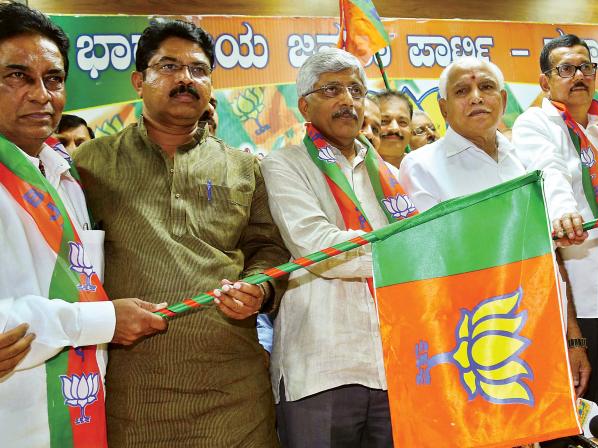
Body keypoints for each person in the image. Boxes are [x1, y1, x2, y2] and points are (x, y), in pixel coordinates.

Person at [73, 19, 289, 447]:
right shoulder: (90, 164)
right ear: (139, 81)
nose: (186, 79)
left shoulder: (244, 167)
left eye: (198, 69)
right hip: (132, 395)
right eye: (168, 67)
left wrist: (259, 289)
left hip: (235, 391)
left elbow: (267, 249)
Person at [0, 4, 165, 447]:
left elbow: (79, 283)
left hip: (77, 408)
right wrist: (105, 320)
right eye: (17, 76)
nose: (41, 95)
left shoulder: (65, 177)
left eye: (52, 79)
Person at [399, 56, 592, 398]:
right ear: (443, 109)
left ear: (502, 100)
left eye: (486, 87)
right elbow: (436, 261)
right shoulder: (419, 167)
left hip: (540, 329)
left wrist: (573, 337)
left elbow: (551, 261)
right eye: (462, 90)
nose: (476, 97)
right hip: (471, 345)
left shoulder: (525, 163)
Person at [262, 48, 416, 447]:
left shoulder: (390, 175)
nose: (348, 100)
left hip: (396, 362)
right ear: (304, 104)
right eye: (332, 89)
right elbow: (320, 249)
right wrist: (412, 252)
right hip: (322, 364)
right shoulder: (285, 165)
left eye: (355, 90)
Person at [511, 34, 598, 408]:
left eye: (585, 67)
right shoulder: (536, 122)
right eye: (566, 68)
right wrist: (564, 211)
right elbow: (548, 170)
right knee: (575, 407)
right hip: (574, 291)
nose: (578, 75)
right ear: (545, 82)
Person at [376, 90, 413, 167]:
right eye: (384, 121)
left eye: (402, 122)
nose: (394, 128)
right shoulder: (354, 171)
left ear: (411, 129)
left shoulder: (422, 168)